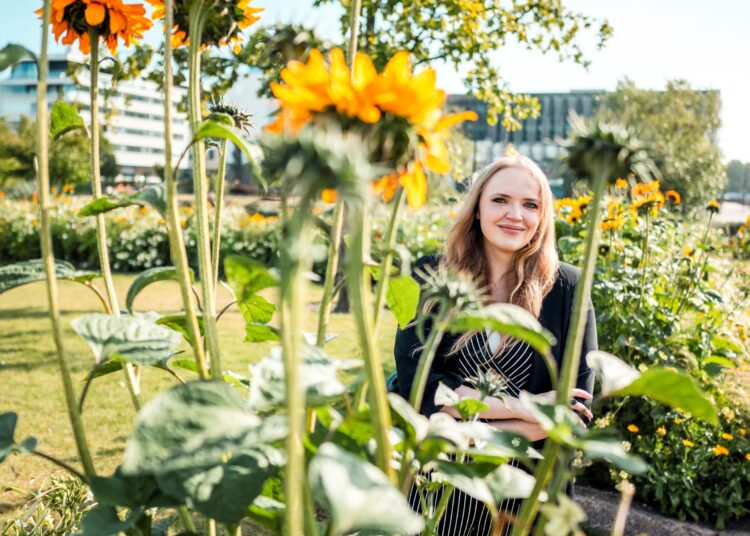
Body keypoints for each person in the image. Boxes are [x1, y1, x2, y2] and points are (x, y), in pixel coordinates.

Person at [394, 154, 597, 536]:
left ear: (542, 216)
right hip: (441, 485)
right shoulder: (431, 277)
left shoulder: (568, 287)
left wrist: (464, 413)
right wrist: (530, 408)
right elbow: (417, 393)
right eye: (500, 200)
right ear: (477, 208)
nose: (514, 214)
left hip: (529, 493)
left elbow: (576, 412)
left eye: (530, 204)